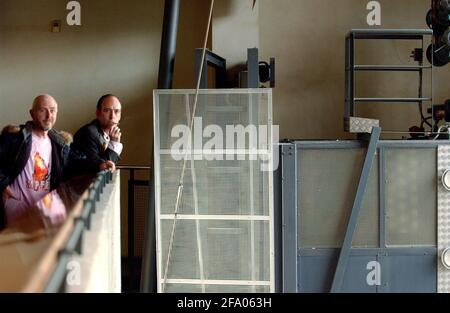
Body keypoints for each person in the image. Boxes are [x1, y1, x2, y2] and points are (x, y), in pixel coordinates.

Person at [0, 95, 71, 228]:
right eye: (42, 110)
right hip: (16, 212)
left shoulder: (60, 144)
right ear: (32, 113)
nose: (48, 115)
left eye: (52, 110)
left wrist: (104, 160)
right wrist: (3, 185)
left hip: (44, 215)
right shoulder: (15, 138)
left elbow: (77, 166)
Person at [71, 94, 122, 173]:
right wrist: (114, 144)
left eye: (117, 111)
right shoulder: (89, 132)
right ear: (98, 113)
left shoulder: (108, 134)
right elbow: (101, 169)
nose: (112, 116)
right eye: (107, 110)